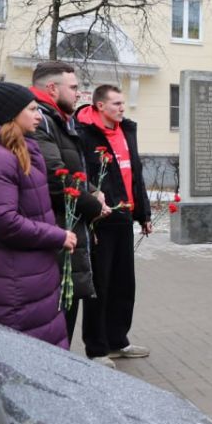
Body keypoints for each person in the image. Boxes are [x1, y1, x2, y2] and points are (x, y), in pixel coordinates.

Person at [0, 79, 76, 347]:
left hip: (27, 279)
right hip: (14, 285)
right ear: (11, 115)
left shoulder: (18, 151)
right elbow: (4, 221)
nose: (38, 115)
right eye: (31, 109)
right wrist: (57, 236)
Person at [30, 61, 111, 345]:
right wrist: (93, 204)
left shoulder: (59, 118)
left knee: (65, 318)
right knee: (55, 324)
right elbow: (56, 176)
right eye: (74, 87)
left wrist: (91, 189)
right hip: (55, 233)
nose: (79, 93)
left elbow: (70, 169)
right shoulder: (40, 121)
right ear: (52, 88)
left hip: (68, 230)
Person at [77, 85, 152, 363]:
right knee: (100, 285)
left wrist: (143, 213)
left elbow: (135, 175)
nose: (122, 108)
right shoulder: (85, 133)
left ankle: (118, 340)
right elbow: (81, 175)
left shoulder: (126, 131)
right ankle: (96, 348)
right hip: (101, 220)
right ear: (99, 106)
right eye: (116, 103)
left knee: (123, 285)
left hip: (124, 219)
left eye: (123, 103)